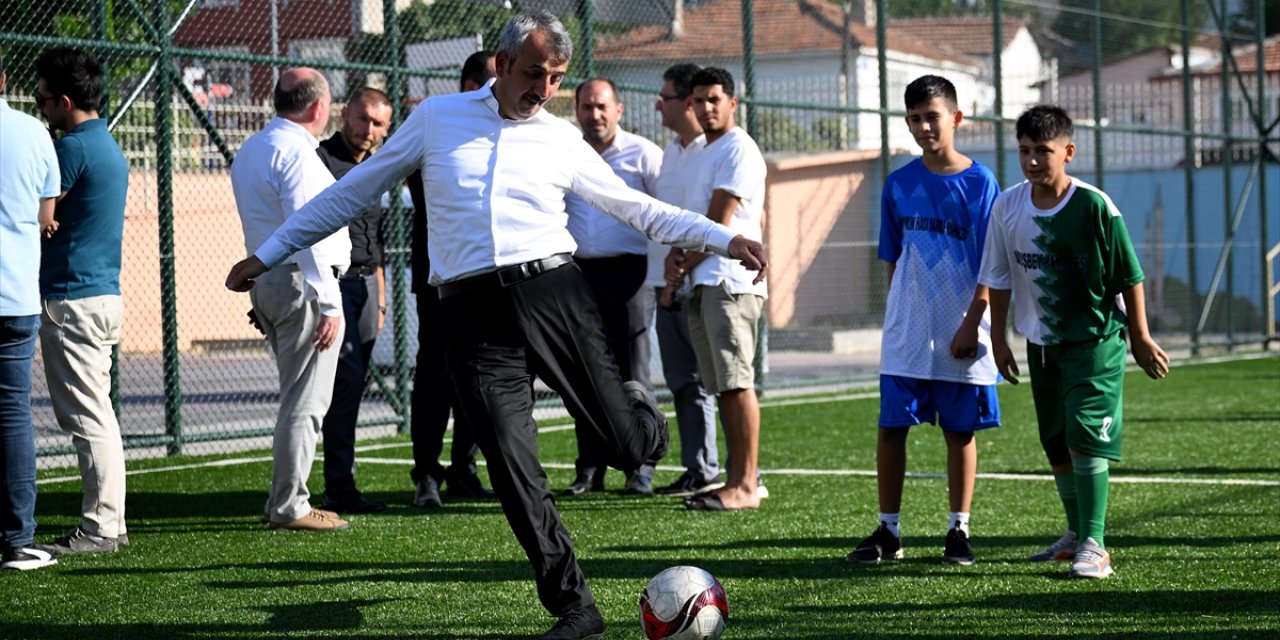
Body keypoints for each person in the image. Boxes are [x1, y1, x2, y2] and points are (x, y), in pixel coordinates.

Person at [224, 13, 766, 639]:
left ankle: (638, 418)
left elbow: (640, 210)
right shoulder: (436, 119)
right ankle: (574, 607)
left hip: (554, 294)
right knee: (512, 465)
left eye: (556, 78)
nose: (545, 89)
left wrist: (725, 239)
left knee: (625, 447)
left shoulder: (560, 138)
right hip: (471, 316)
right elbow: (352, 193)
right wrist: (268, 253)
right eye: (535, 73)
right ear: (503, 65)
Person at [976, 105, 1169, 579]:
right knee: (1057, 442)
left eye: (1043, 151)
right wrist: (1000, 339)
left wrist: (1140, 336)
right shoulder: (1007, 206)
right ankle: (1074, 534)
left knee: (1085, 436)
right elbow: (998, 277)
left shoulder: (1096, 206)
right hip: (1040, 345)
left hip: (1095, 342)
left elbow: (1129, 275)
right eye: (1024, 151)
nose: (1032, 160)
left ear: (1068, 151)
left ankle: (1095, 545)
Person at [844, 75, 1001, 567]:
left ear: (956, 118)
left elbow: (991, 264)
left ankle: (959, 530)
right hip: (908, 334)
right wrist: (900, 318)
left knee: (960, 433)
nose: (923, 126)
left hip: (962, 329)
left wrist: (971, 323)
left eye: (932, 116)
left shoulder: (981, 183)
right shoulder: (898, 184)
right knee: (891, 427)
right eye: (914, 118)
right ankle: (888, 531)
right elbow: (892, 259)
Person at [232, 68, 352, 532]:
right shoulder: (296, 152)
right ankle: (290, 506)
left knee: (296, 398)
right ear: (319, 107)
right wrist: (330, 301)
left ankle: (284, 501)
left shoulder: (254, 146)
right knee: (305, 401)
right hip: (302, 281)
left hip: (274, 280)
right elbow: (309, 232)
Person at [30, 47, 131, 556]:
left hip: (71, 298)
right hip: (98, 295)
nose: (40, 108)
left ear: (65, 101)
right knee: (99, 415)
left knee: (87, 419)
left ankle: (100, 528)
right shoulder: (107, 144)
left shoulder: (72, 149)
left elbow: (42, 215)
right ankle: (109, 522)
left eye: (43, 100)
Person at [670, 67, 768, 512]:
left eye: (715, 99)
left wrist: (682, 260)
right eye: (698, 100)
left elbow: (716, 223)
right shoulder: (701, 152)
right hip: (706, 279)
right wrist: (680, 260)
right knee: (723, 386)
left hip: (730, 281)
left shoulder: (738, 149)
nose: (706, 108)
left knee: (736, 382)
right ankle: (737, 480)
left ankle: (746, 485)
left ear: (732, 102)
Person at [561, 77, 663, 497]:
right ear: (577, 111)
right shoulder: (564, 151)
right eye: (587, 107)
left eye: (602, 106)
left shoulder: (645, 155)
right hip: (579, 276)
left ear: (619, 110)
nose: (594, 114)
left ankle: (641, 467)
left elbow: (666, 214)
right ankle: (589, 469)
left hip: (632, 275)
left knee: (634, 374)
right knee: (584, 374)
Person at [407, 49, 498, 509]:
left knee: (478, 373)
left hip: (487, 277)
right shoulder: (435, 126)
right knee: (434, 376)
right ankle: (426, 473)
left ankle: (465, 467)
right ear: (469, 87)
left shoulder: (504, 133)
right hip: (439, 278)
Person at [647, 62, 724, 498]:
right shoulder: (671, 151)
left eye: (667, 96)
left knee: (707, 381)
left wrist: (683, 269)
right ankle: (696, 465)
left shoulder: (711, 151)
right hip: (667, 282)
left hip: (698, 279)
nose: (660, 103)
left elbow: (715, 221)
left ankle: (714, 468)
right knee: (680, 380)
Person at [316, 87, 393, 514]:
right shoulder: (320, 160)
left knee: (353, 385)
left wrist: (379, 302)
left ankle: (339, 482)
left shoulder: (379, 165)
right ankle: (336, 487)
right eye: (362, 119)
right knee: (341, 385)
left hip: (365, 289)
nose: (368, 130)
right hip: (331, 286)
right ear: (345, 115)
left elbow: (376, 243)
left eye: (378, 123)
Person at [0, 54, 61, 571]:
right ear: (3, 79)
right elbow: (47, 217)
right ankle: (18, 539)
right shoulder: (32, 132)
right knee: (12, 414)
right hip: (14, 295)